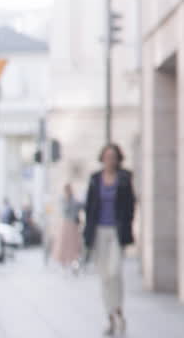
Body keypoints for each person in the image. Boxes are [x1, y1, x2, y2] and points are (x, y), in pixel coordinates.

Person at [84, 144, 136, 336]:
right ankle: (111, 317)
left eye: (113, 156)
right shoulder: (95, 179)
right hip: (99, 231)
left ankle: (119, 310)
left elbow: (131, 206)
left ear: (118, 158)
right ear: (102, 158)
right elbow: (89, 207)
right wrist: (87, 235)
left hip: (116, 232)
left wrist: (127, 229)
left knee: (115, 273)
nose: (110, 160)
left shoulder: (124, 178)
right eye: (106, 156)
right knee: (104, 276)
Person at [52, 183, 83, 274]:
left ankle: (73, 264)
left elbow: (81, 206)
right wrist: (68, 200)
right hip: (65, 224)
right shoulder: (63, 200)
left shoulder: (74, 200)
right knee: (63, 244)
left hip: (73, 225)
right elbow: (64, 210)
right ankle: (64, 264)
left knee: (73, 245)